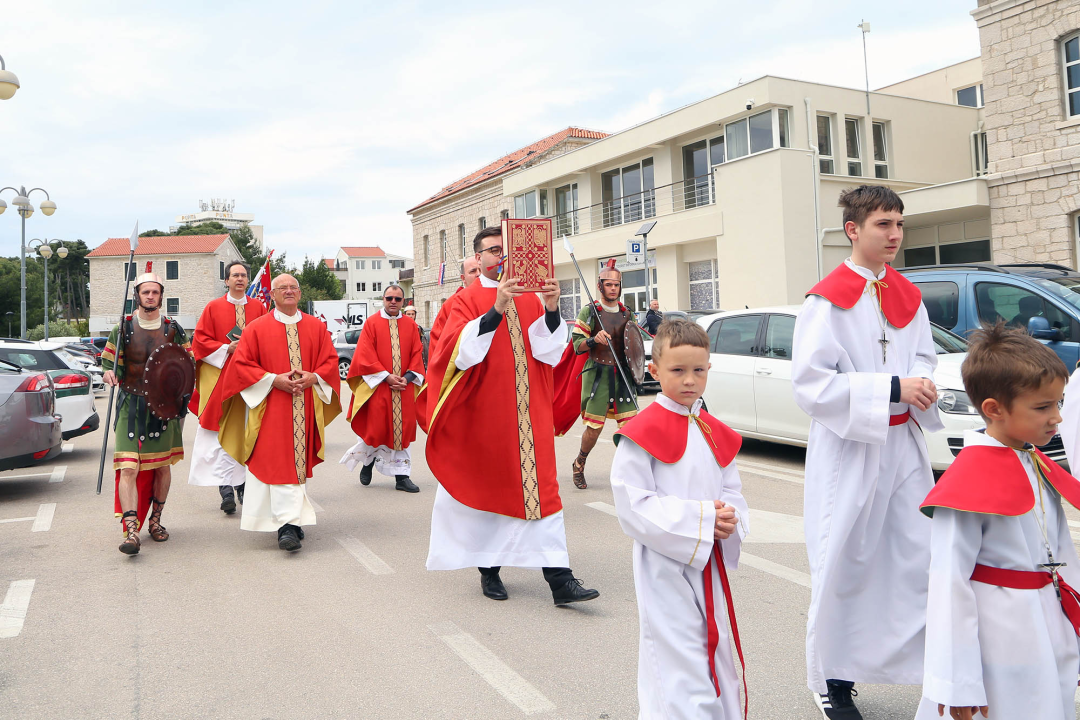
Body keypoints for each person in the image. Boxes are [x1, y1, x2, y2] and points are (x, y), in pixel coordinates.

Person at [791, 185, 943, 720]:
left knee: (916, 558)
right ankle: (832, 678)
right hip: (850, 451)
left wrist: (921, 383)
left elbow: (925, 356)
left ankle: (936, 673)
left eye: (899, 224)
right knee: (844, 564)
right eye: (883, 224)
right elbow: (810, 385)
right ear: (853, 230)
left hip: (903, 448)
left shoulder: (907, 294)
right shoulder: (825, 301)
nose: (895, 235)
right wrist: (892, 389)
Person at [424, 226, 599, 605]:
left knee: (544, 490)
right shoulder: (466, 300)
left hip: (529, 413)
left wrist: (552, 308)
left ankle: (560, 580)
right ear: (479, 257)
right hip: (486, 414)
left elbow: (549, 352)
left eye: (504, 249)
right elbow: (458, 354)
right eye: (491, 250)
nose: (499, 255)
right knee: (491, 490)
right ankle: (489, 570)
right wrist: (497, 306)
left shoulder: (532, 298)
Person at [916, 324, 1080, 720]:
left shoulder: (1035, 461)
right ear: (994, 409)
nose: (1057, 417)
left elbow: (1063, 558)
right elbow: (948, 585)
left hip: (1047, 626)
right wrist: (957, 683)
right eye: (1043, 407)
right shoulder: (968, 483)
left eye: (1058, 403)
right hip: (999, 638)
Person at [610, 319, 749, 720]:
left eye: (698, 370)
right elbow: (632, 504)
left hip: (709, 563)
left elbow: (731, 487)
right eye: (678, 370)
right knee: (681, 662)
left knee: (714, 652)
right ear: (654, 371)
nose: (690, 380)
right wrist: (703, 520)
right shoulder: (642, 433)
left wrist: (729, 516)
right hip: (665, 565)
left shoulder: (712, 430)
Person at [216, 274, 341, 552]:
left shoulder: (316, 327)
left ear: (299, 293)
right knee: (279, 462)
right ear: (271, 295)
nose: (288, 291)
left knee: (295, 462)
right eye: (282, 288)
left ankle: (291, 522)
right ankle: (288, 525)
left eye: (293, 287)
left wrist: (313, 377)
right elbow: (241, 366)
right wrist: (274, 380)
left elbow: (330, 362)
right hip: (270, 406)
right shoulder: (256, 328)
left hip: (305, 406)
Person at [101, 263, 192, 555]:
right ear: (137, 295)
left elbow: (188, 365)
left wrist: (180, 398)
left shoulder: (173, 329)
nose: (150, 296)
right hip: (130, 403)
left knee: (162, 467)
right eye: (145, 292)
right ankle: (131, 530)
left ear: (161, 296)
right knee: (128, 466)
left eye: (155, 292)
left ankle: (155, 521)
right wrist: (108, 374)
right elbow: (107, 363)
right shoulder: (123, 328)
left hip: (163, 407)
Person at [187, 260, 266, 514]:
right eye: (235, 275)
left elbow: (267, 337)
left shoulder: (259, 307)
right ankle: (225, 489)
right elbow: (199, 340)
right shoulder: (213, 307)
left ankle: (243, 484)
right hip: (221, 381)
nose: (240, 279)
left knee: (248, 432)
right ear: (226, 281)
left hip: (250, 381)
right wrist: (226, 348)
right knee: (220, 435)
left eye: (243, 275)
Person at [340, 284, 424, 493]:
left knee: (401, 432)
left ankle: (402, 477)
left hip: (402, 389)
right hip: (378, 386)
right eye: (389, 298)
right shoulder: (372, 323)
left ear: (403, 301)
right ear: (383, 299)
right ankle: (367, 464)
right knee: (375, 429)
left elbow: (417, 353)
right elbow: (365, 355)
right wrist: (386, 377)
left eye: (398, 299)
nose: (393, 302)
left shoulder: (411, 326)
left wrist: (407, 377)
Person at [567, 260, 638, 489]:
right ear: (600, 286)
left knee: (630, 429)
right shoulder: (590, 311)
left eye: (616, 285)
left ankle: (632, 472)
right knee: (594, 429)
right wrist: (592, 340)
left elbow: (634, 346)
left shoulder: (628, 314)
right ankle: (579, 462)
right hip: (598, 374)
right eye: (609, 285)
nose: (613, 289)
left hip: (623, 376)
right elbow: (576, 344)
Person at [416, 256, 480, 433]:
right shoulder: (452, 304)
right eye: (472, 271)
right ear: (463, 278)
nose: (477, 274)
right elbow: (438, 343)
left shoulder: (497, 297)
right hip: (462, 377)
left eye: (479, 270)